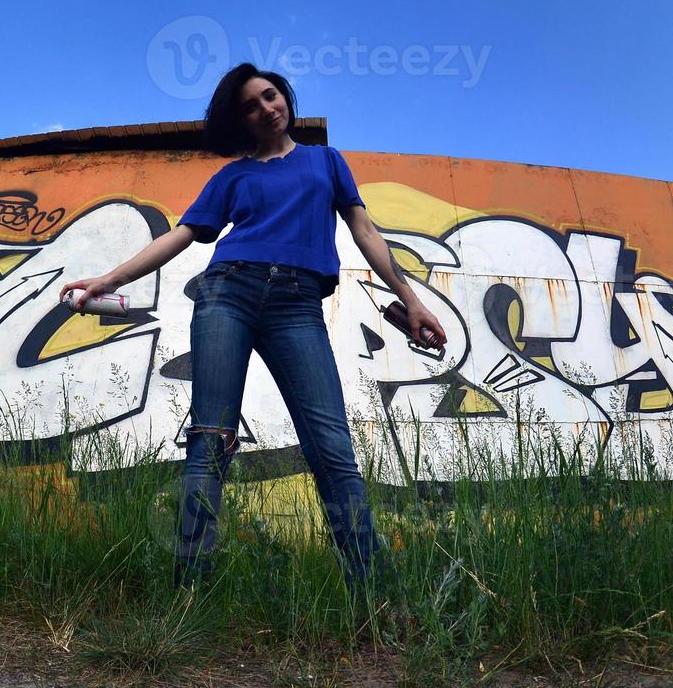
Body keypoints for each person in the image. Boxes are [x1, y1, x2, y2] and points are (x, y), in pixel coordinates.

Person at [60, 63, 448, 589]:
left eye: (271, 96)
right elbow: (181, 236)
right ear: (240, 120)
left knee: (332, 447)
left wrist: (411, 298)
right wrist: (108, 279)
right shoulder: (232, 176)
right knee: (210, 440)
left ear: (284, 98)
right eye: (251, 105)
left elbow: (365, 230)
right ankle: (188, 594)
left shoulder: (325, 161)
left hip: (298, 304)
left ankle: (376, 595)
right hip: (228, 293)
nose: (267, 108)